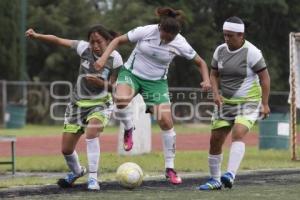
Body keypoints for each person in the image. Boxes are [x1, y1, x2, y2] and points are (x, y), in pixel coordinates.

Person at [94, 7, 211, 185]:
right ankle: (128, 128)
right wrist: (103, 58)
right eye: (164, 35)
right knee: (121, 100)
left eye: (170, 38)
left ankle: (170, 168)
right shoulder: (146, 31)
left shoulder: (180, 42)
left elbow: (201, 62)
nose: (166, 40)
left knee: (166, 121)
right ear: (160, 28)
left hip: (156, 83)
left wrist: (206, 80)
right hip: (132, 73)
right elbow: (117, 40)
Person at [25, 25, 123, 190]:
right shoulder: (84, 48)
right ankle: (77, 171)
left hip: (100, 104)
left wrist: (101, 84)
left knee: (91, 133)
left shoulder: (116, 59)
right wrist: (37, 35)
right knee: (66, 149)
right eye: (92, 42)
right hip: (77, 104)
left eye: (99, 41)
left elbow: (116, 88)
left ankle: (93, 178)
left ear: (108, 41)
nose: (95, 46)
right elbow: (57, 40)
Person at [198, 16, 270, 190]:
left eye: (230, 35)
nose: (227, 39)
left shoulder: (252, 52)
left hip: (249, 101)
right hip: (226, 103)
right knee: (215, 140)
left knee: (238, 132)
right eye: (224, 35)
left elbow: (265, 78)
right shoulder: (220, 51)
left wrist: (265, 103)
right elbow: (214, 74)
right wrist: (216, 94)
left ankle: (230, 174)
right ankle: (215, 180)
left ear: (240, 35)